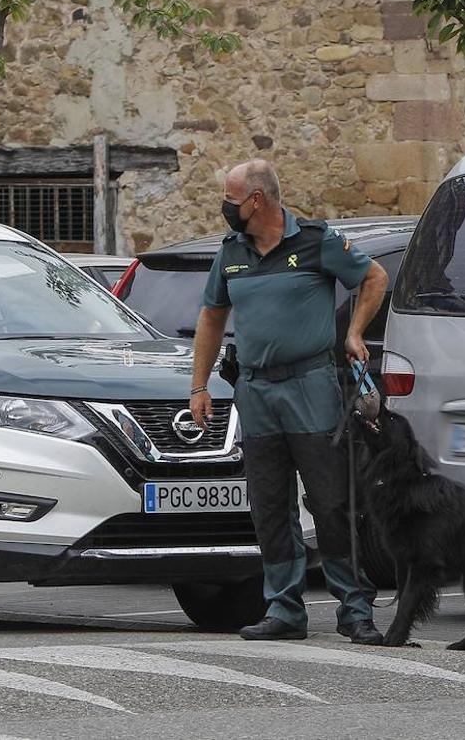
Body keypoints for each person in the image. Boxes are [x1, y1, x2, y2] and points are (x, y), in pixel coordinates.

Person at [191, 159, 389, 644]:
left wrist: (356, 332)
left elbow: (375, 278)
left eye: (231, 198)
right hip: (255, 391)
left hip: (311, 385)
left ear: (256, 200)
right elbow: (212, 316)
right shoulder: (231, 252)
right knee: (270, 505)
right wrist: (198, 387)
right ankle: (284, 609)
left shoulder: (316, 241)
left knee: (331, 500)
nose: (225, 207)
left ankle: (355, 609)